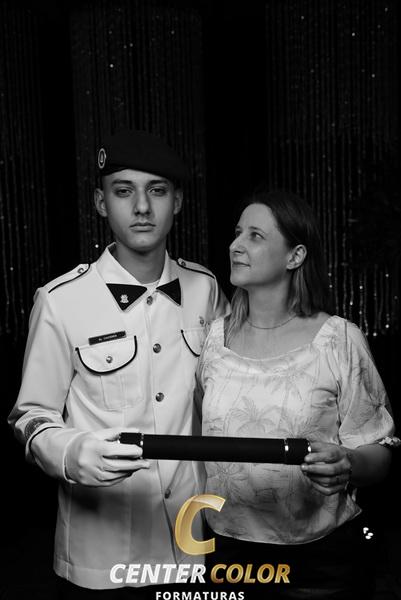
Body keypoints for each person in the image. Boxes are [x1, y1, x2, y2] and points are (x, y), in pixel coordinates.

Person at [8, 129, 229, 598]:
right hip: (102, 555)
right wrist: (71, 453)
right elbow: (30, 417)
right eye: (124, 191)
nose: (142, 207)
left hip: (193, 541)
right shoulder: (60, 300)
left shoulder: (206, 289)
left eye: (157, 191)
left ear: (178, 202)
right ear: (100, 203)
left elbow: (230, 396)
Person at [197, 188, 398, 599]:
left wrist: (349, 463)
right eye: (237, 233)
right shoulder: (214, 340)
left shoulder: (339, 339)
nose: (235, 245)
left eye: (255, 236)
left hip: (319, 564)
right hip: (226, 551)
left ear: (295, 256)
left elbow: (380, 453)